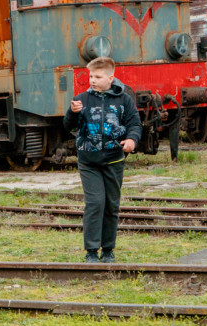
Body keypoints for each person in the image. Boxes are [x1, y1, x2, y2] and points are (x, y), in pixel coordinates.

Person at [64, 57, 141, 263]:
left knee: (111, 205)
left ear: (110, 78)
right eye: (90, 76)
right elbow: (67, 126)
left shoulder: (124, 100)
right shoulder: (82, 99)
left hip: (114, 161)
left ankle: (108, 250)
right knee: (95, 203)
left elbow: (135, 124)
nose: (92, 80)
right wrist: (72, 113)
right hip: (89, 161)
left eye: (97, 77)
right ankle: (91, 251)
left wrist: (132, 140)